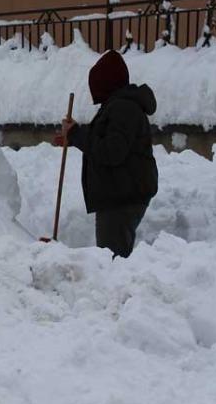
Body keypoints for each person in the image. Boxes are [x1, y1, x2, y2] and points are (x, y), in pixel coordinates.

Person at [54, 50, 158, 258]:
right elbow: (104, 139)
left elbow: (111, 152)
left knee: (112, 262)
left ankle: (119, 291)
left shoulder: (123, 108)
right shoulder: (118, 106)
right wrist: (75, 135)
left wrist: (76, 134)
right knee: (113, 260)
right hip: (120, 193)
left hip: (121, 197)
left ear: (106, 83)